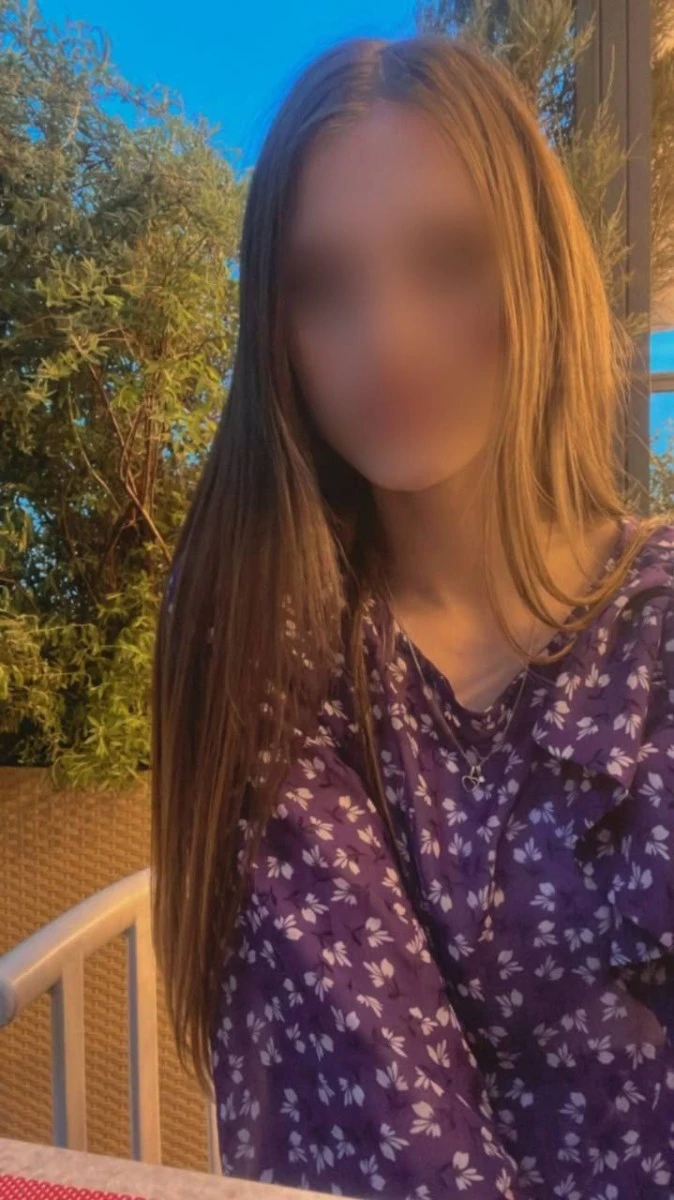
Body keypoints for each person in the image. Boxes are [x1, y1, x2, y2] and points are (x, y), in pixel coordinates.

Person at [151, 32, 674, 1200]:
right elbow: (385, 1138)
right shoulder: (272, 635)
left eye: (447, 260)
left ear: (538, 270)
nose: (385, 337)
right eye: (321, 285)